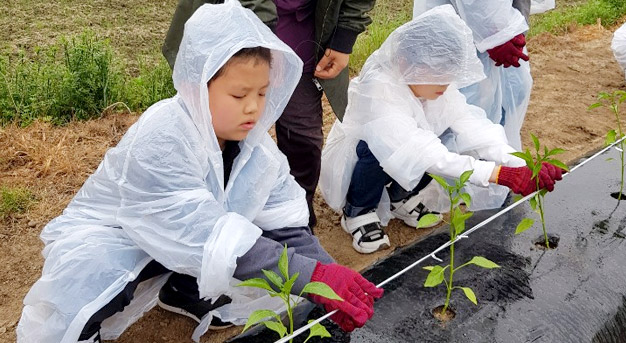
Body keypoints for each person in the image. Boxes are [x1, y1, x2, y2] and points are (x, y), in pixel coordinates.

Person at [16, 3, 383, 343]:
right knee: (97, 278)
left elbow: (285, 225)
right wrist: (312, 278)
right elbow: (198, 231)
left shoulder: (255, 147)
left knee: (231, 232)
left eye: (262, 93)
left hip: (183, 236)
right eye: (239, 96)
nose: (254, 108)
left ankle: (182, 288)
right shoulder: (164, 135)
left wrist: (333, 278)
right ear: (196, 85)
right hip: (118, 236)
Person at [319, 5, 563, 254]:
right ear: (406, 63)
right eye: (438, 74)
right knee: (376, 148)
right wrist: (498, 175)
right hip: (360, 163)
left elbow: (471, 125)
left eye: (449, 74)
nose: (445, 84)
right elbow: (423, 153)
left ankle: (400, 197)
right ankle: (358, 211)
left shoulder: (430, 85)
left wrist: (518, 163)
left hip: (410, 150)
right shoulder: (381, 89)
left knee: (447, 133)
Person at [162, 0, 376, 229]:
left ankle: (296, 222)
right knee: (222, 138)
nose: (254, 106)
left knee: (303, 141)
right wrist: (265, 47)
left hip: (304, 38)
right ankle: (213, 226)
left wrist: (344, 38)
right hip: (235, 35)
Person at [413, 0, 533, 151]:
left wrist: (509, 30)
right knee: (463, 109)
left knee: (506, 97)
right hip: (463, 29)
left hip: (498, 25)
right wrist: (494, 33)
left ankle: (495, 160)